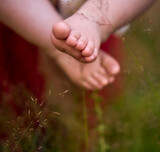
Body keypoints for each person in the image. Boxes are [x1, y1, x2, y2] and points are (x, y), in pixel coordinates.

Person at [0, 0, 156, 91]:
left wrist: (95, 18)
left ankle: (91, 20)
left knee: (79, 124)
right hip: (19, 24)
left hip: (92, 32)